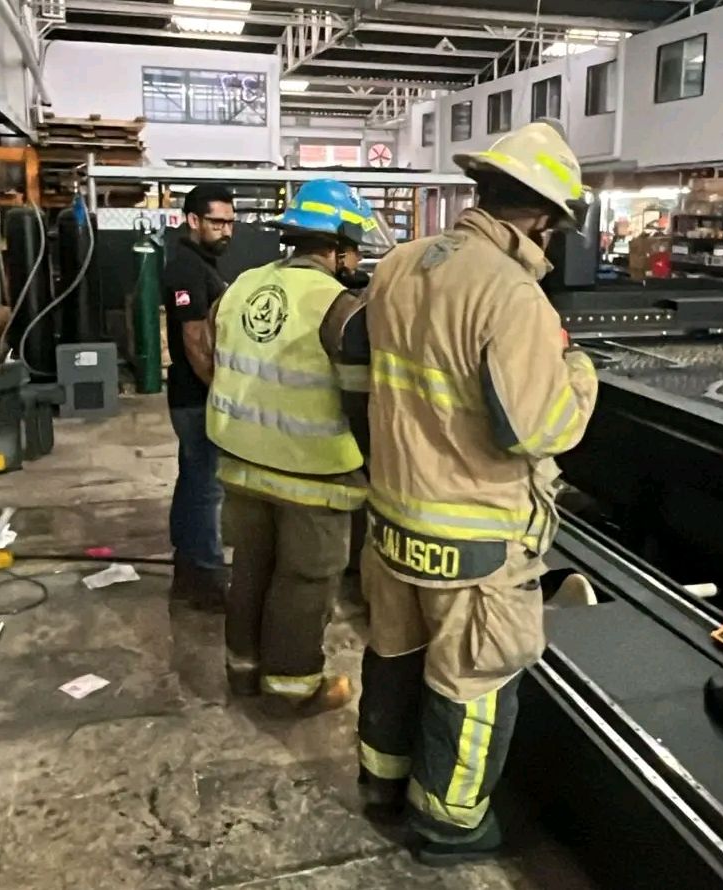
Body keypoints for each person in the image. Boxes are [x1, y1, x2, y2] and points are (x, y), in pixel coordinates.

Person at [322, 120, 599, 864]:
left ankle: (382, 788)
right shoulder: (513, 296)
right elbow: (537, 429)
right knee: (474, 681)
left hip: (392, 518)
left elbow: (363, 380)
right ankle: (451, 825)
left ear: (484, 188)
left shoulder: (399, 265)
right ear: (545, 217)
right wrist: (580, 375)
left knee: (394, 655)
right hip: (474, 533)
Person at [206, 178, 375, 714]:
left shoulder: (244, 284)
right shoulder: (341, 307)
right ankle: (293, 689)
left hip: (239, 459)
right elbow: (361, 403)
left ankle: (244, 673)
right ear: (338, 246)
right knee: (304, 581)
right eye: (355, 247)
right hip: (311, 470)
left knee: (252, 567)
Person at [163, 184, 234, 610]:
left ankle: (187, 565)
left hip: (193, 396)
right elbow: (193, 341)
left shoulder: (201, 265)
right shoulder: (186, 270)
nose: (226, 230)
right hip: (196, 397)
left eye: (230, 221)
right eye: (216, 222)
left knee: (192, 480)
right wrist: (220, 393)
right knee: (207, 488)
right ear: (192, 221)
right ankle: (206, 579)